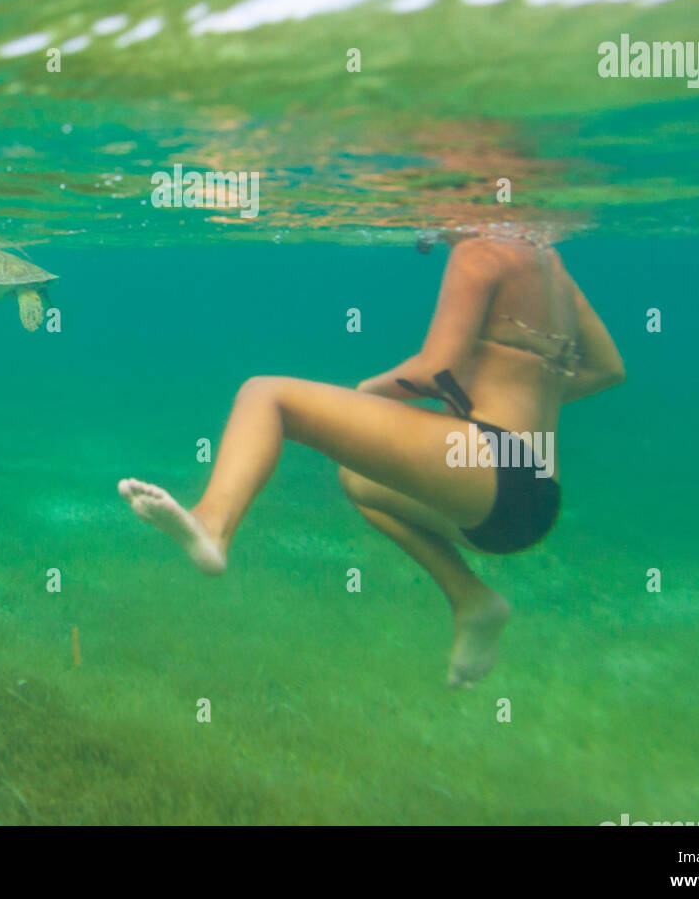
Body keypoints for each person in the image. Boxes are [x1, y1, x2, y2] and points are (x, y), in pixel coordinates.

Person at [118, 225, 625, 686]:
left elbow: (433, 369)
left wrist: (370, 391)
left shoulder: (480, 249)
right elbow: (607, 370)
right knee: (359, 482)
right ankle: (473, 600)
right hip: (537, 497)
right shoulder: (550, 267)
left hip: (487, 468)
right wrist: (516, 399)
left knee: (264, 394)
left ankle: (212, 526)